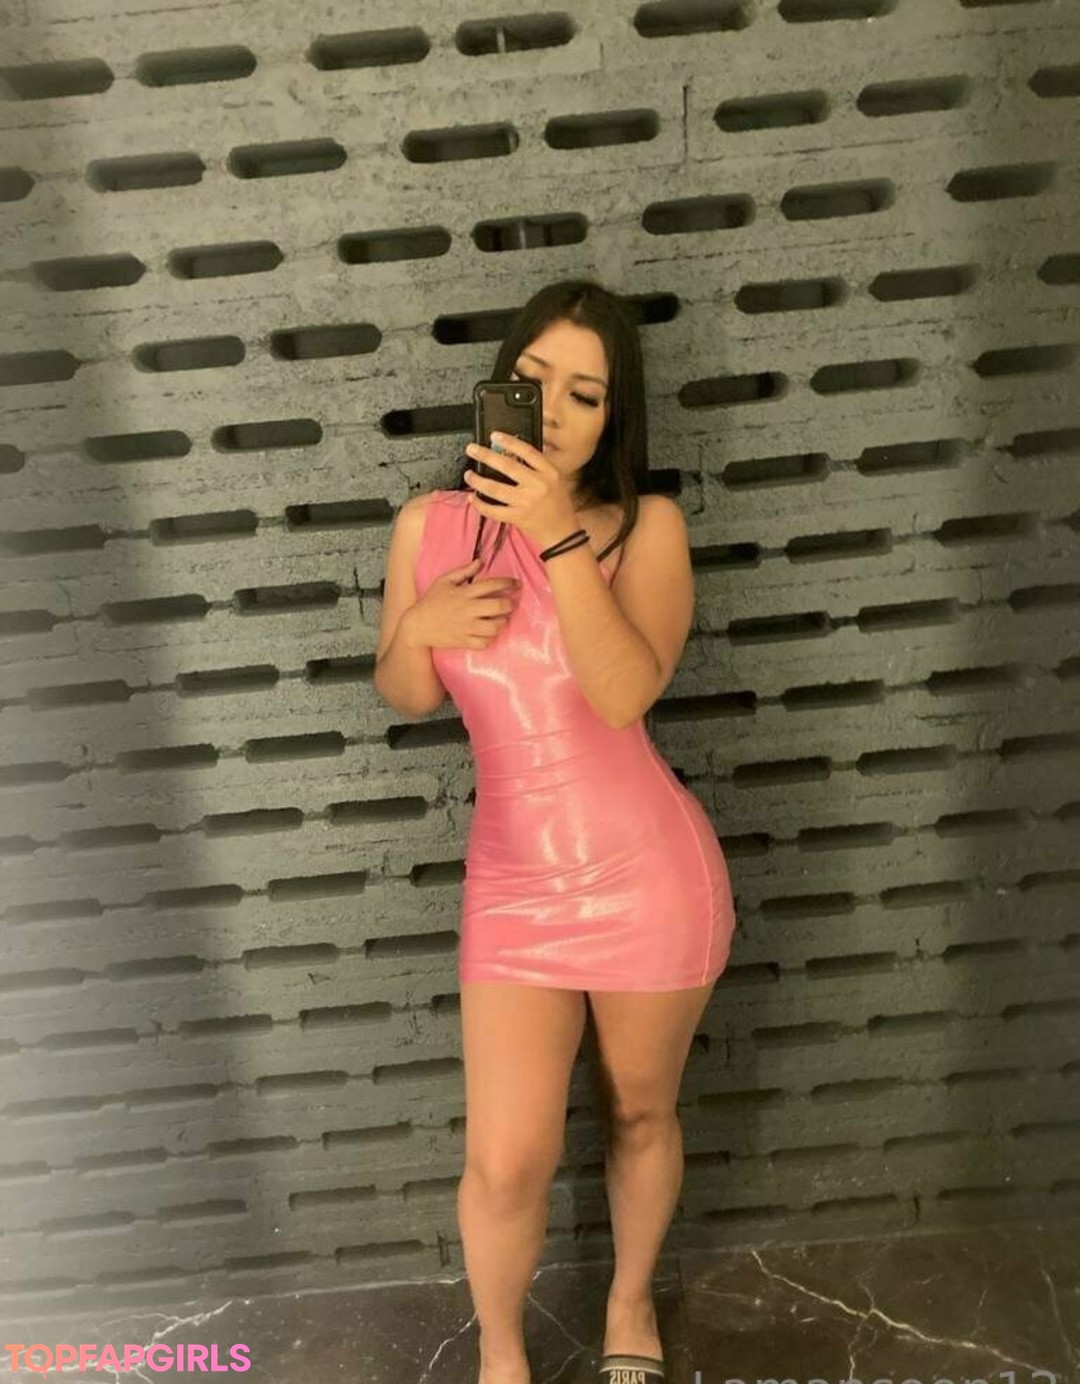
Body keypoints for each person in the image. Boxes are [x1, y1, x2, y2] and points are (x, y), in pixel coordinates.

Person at [373, 279, 737, 1384]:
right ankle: (501, 1351)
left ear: (615, 415)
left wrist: (554, 539)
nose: (558, 410)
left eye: (587, 392)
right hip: (514, 888)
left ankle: (630, 1303)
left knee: (641, 1110)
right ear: (501, 386)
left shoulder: (649, 529)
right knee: (504, 1162)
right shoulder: (428, 526)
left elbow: (624, 693)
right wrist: (419, 626)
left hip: (649, 879)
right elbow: (406, 693)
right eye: (535, 381)